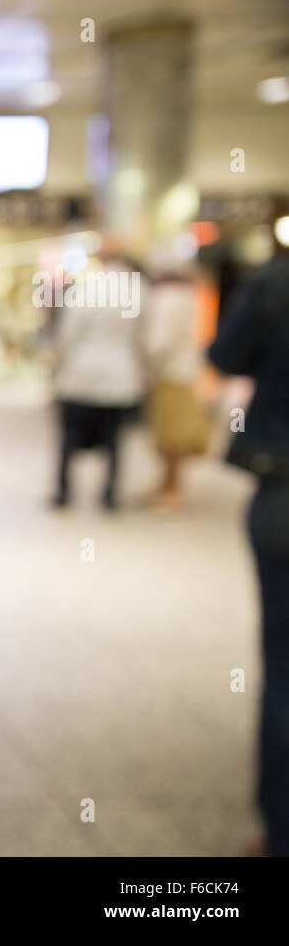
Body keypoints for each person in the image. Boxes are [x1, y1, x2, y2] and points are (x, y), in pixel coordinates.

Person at [208, 253, 289, 857]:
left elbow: (226, 356)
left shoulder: (275, 282)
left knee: (285, 672)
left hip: (283, 482)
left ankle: (281, 831)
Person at [50, 253, 147, 511]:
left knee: (70, 436)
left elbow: (67, 333)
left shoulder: (86, 287)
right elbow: (144, 335)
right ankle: (109, 494)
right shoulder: (138, 290)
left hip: (81, 372)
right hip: (119, 373)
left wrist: (59, 365)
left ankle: (63, 491)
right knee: (114, 438)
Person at [143, 254, 208, 509]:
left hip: (169, 373)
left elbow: (158, 342)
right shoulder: (186, 296)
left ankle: (172, 488)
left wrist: (145, 362)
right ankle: (168, 484)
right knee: (172, 433)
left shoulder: (167, 299)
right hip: (181, 372)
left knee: (172, 435)